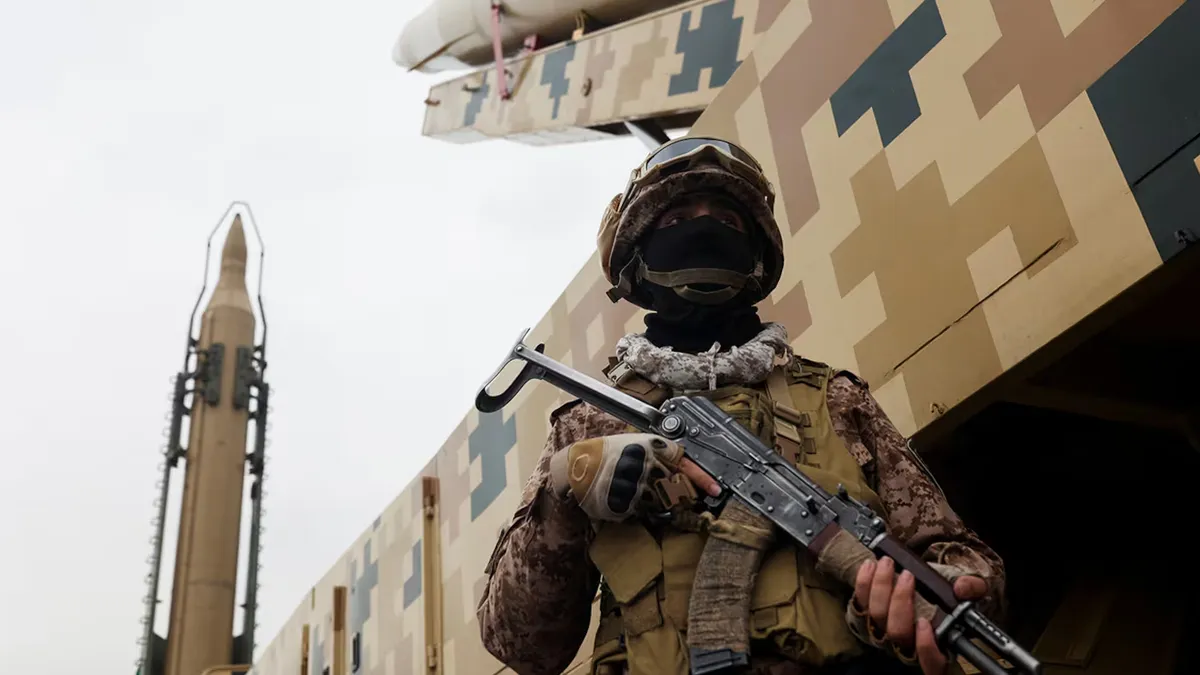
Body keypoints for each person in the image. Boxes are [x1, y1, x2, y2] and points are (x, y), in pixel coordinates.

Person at [476, 137, 1005, 675]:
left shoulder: (836, 398)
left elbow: (960, 560)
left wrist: (933, 595)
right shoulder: (591, 422)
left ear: (755, 257)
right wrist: (568, 491)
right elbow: (520, 645)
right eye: (676, 218)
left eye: (726, 222)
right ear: (636, 257)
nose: (703, 231)